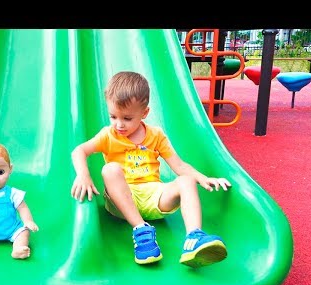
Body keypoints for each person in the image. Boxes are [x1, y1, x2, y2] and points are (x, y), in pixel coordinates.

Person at [70, 71, 231, 268]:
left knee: (186, 181)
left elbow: (179, 166)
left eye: (127, 118)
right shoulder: (108, 135)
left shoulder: (156, 135)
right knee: (110, 169)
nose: (119, 124)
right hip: (122, 201)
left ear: (144, 113)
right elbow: (79, 151)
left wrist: (203, 178)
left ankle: (194, 238)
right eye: (113, 116)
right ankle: (141, 231)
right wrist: (83, 175)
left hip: (154, 197)